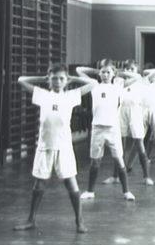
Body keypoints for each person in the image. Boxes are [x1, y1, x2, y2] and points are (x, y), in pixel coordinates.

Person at [14, 63, 96, 233]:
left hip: (64, 147)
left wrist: (72, 78)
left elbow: (93, 84)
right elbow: (21, 80)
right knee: (39, 184)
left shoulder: (71, 96)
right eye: (54, 79)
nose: (57, 82)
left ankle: (79, 221)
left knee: (71, 184)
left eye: (61, 79)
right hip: (45, 146)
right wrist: (42, 78)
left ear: (66, 81)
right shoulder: (42, 95)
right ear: (49, 80)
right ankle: (31, 220)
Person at [77, 60, 140, 201]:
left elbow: (137, 77)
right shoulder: (94, 85)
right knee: (95, 162)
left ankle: (126, 192)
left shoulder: (118, 86)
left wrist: (118, 72)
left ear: (113, 74)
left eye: (108, 72)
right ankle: (90, 191)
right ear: (99, 73)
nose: (105, 75)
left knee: (119, 160)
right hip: (97, 128)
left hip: (113, 129)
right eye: (103, 72)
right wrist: (97, 71)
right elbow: (79, 70)